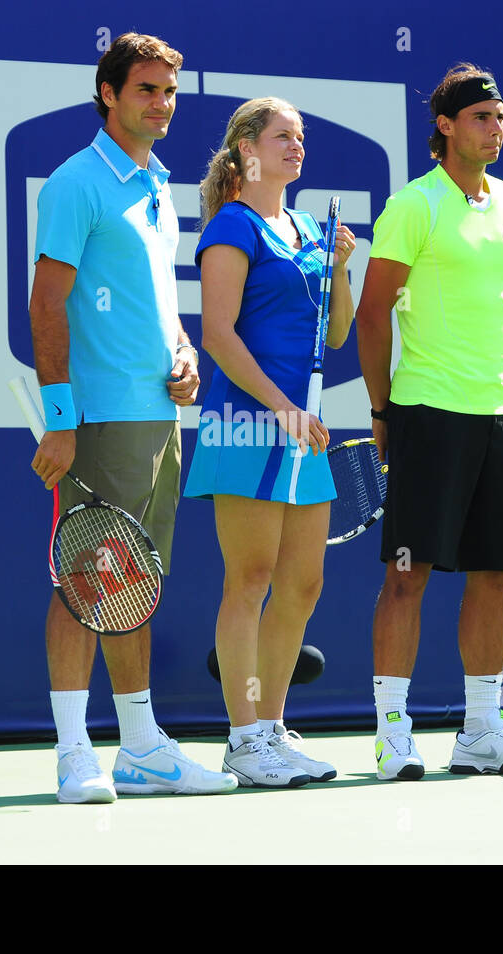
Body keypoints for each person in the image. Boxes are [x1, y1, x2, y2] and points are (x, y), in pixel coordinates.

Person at [28, 32, 237, 803]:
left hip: (158, 416)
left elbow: (161, 307)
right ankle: (74, 751)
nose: (163, 104)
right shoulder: (76, 182)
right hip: (99, 419)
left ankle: (143, 746)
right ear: (109, 95)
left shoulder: (155, 184)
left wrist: (183, 354)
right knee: (84, 578)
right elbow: (46, 304)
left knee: (134, 582)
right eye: (147, 90)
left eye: (170, 92)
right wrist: (60, 418)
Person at [354, 64, 503, 778]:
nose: (495, 129)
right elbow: (372, 316)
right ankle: (391, 734)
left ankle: (479, 731)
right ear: (445, 126)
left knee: (495, 574)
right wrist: (383, 410)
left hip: (500, 413)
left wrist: (501, 387)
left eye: (500, 118)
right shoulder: (414, 205)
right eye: (481, 118)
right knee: (409, 574)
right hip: (426, 411)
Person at [185, 98, 357, 787]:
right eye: (283, 135)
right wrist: (282, 407)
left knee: (302, 586)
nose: (297, 146)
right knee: (250, 580)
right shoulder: (232, 226)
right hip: (249, 423)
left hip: (302, 429)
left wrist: (340, 266)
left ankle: (274, 730)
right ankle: (243, 736)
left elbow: (337, 335)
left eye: (302, 137)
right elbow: (218, 335)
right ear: (247, 150)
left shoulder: (311, 229)